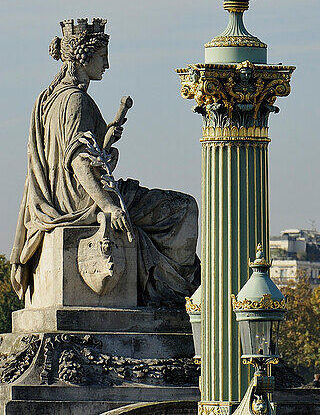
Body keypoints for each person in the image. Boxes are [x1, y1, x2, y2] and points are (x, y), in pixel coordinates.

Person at [10, 18, 201, 307]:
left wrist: (105, 138)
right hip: (84, 200)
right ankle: (170, 293)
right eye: (102, 57)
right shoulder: (76, 101)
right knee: (185, 209)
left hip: (64, 198)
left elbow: (69, 155)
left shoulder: (48, 99)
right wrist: (109, 206)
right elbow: (77, 161)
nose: (107, 65)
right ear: (83, 57)